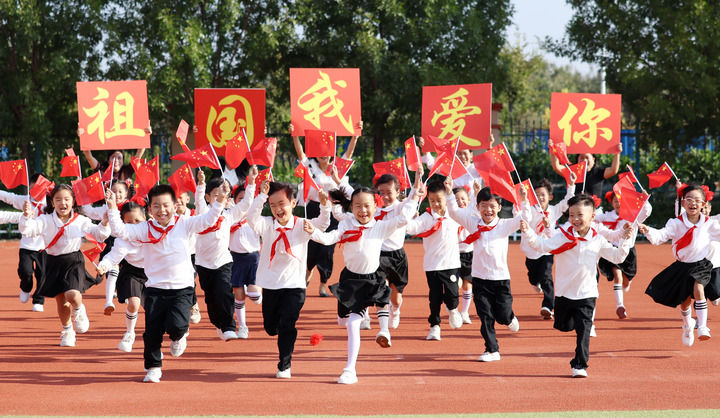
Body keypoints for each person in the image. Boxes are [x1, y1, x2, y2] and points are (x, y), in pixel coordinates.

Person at [305, 175, 423, 384]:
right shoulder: (346, 225)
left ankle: (351, 368)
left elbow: (403, 219)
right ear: (351, 208)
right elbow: (328, 238)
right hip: (350, 280)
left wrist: (414, 196)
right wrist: (312, 231)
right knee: (343, 320)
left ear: (375, 207)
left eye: (367, 206)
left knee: (355, 322)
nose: (363, 210)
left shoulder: (380, 226)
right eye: (358, 206)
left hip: (372, 278)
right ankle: (365, 326)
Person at [105, 182, 228, 383]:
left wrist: (220, 200)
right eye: (156, 206)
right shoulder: (144, 229)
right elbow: (120, 231)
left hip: (182, 288)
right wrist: (111, 207)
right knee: (152, 332)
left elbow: (207, 220)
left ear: (174, 205)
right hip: (155, 287)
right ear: (149, 209)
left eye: (166, 205)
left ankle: (179, 336)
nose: (161, 210)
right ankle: (153, 367)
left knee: (177, 326)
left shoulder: (184, 223)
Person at [520, 193, 636, 378]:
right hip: (565, 293)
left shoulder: (597, 239)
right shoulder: (563, 237)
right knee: (564, 325)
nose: (575, 219)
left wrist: (626, 240)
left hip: (587, 294)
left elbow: (617, 257)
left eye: (580, 215)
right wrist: (528, 231)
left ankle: (580, 365)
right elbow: (541, 246)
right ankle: (571, 325)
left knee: (584, 330)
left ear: (592, 216)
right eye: (572, 215)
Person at [246, 180, 331, 379]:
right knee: (270, 328)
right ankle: (279, 332)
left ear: (293, 203)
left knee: (287, 324)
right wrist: (261, 196)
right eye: (272, 205)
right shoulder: (267, 224)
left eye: (282, 204)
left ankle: (284, 365)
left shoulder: (302, 224)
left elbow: (323, 224)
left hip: (295, 285)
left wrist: (324, 205)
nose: (278, 209)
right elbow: (251, 218)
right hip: (271, 284)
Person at [445, 181, 529, 362]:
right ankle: (492, 349)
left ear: (499, 207)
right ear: (478, 207)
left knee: (502, 315)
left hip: (500, 279)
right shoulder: (473, 223)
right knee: (485, 316)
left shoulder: (504, 225)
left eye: (492, 206)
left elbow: (524, 218)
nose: (488, 210)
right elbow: (454, 212)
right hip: (480, 279)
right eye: (484, 206)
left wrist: (524, 199)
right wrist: (450, 192)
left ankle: (509, 318)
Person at [19, 184, 111, 347]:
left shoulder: (80, 221)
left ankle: (79, 309)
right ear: (52, 202)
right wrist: (26, 217)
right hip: (52, 262)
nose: (63, 203)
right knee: (61, 300)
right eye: (58, 200)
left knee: (72, 294)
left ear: (73, 201)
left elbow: (99, 235)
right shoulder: (45, 220)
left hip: (73, 261)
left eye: (67, 199)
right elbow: (28, 231)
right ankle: (67, 331)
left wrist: (104, 222)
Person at [640, 184, 720, 346]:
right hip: (682, 266)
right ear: (683, 203)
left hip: (701, 265)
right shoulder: (676, 223)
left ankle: (702, 326)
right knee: (685, 301)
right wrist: (647, 230)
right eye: (689, 199)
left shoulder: (709, 224)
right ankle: (688, 325)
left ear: (703, 204)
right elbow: (661, 236)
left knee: (699, 289)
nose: (693, 203)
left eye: (697, 200)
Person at [291, 121, 361, 297]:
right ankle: (308, 271)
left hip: (333, 210)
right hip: (314, 209)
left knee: (327, 249)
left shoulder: (337, 167)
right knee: (311, 245)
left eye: (328, 152)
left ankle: (323, 283)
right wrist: (295, 136)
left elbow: (349, 153)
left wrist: (355, 136)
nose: (324, 155)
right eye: (321, 152)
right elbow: (300, 153)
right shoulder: (310, 166)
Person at [194, 170, 255, 341]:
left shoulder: (229, 215)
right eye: (215, 195)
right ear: (208, 197)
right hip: (203, 264)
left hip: (223, 262)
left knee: (225, 293)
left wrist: (251, 183)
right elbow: (198, 200)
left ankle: (229, 326)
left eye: (223, 194)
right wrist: (201, 184)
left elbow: (246, 205)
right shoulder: (202, 213)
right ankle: (219, 324)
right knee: (212, 299)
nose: (220, 197)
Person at [405, 180, 464, 340]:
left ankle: (453, 310)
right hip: (432, 265)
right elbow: (409, 228)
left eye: (439, 200)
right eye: (432, 201)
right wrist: (410, 215)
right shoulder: (426, 218)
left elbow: (470, 214)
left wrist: (452, 190)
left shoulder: (454, 214)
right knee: (435, 297)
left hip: (451, 263)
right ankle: (435, 326)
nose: (436, 204)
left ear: (446, 198)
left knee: (452, 294)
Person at [520, 175, 575, 320]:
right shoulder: (530, 210)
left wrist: (571, 184)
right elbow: (524, 216)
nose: (540, 197)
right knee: (533, 277)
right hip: (531, 250)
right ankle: (534, 282)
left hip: (547, 250)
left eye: (543, 195)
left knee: (546, 277)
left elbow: (567, 202)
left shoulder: (554, 210)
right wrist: (524, 201)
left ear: (550, 197)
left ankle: (548, 306)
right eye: (537, 195)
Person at [96, 201, 148, 352]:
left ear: (145, 218)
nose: (134, 225)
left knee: (154, 309)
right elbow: (113, 257)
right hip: (132, 273)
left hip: (152, 273)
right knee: (133, 303)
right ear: (123, 223)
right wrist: (103, 265)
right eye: (129, 222)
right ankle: (130, 333)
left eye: (137, 221)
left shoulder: (152, 232)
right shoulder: (123, 240)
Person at [595, 190, 652, 319]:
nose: (617, 204)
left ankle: (626, 284)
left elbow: (646, 212)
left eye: (620, 201)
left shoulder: (633, 215)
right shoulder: (607, 216)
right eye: (615, 201)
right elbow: (592, 219)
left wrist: (645, 199)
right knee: (617, 275)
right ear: (611, 203)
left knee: (625, 282)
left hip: (628, 251)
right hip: (612, 250)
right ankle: (620, 305)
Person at [80, 179, 131, 315]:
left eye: (120, 192)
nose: (117, 194)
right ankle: (109, 301)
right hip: (111, 242)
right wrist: (82, 194)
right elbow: (89, 211)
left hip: (127, 242)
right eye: (113, 191)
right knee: (113, 270)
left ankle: (126, 293)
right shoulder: (105, 207)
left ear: (126, 193)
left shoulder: (130, 207)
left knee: (126, 272)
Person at [0, 173, 48, 312]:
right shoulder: (25, 200)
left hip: (45, 246)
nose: (35, 192)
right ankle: (26, 288)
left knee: (43, 274)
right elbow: (9, 197)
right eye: (32, 189)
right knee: (25, 271)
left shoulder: (51, 202)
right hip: (27, 245)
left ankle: (39, 300)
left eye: (39, 188)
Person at [229, 181, 262, 339]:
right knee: (239, 296)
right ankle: (242, 326)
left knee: (254, 297)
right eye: (239, 199)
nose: (243, 202)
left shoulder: (255, 218)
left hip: (253, 258)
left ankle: (257, 292)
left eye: (246, 199)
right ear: (234, 201)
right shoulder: (229, 218)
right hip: (235, 259)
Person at [79, 124, 150, 180]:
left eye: (119, 158)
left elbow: (139, 152)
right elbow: (89, 157)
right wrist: (83, 137)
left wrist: (146, 135)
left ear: (123, 161)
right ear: (108, 160)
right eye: (113, 157)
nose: (116, 160)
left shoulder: (127, 170)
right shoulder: (102, 169)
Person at [549, 143, 622, 197]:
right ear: (577, 160)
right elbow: (557, 167)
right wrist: (553, 151)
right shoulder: (572, 172)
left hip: (594, 210)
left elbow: (613, 170)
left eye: (587, 157)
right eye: (581, 158)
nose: (584, 160)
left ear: (593, 159)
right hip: (576, 209)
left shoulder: (598, 172)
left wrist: (617, 153)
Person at [454, 186, 475, 324]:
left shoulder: (472, 214)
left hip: (469, 254)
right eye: (456, 200)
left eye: (463, 198)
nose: (460, 202)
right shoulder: (451, 215)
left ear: (468, 200)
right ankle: (454, 309)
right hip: (453, 255)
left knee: (467, 286)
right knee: (456, 284)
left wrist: (477, 191)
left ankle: (465, 312)